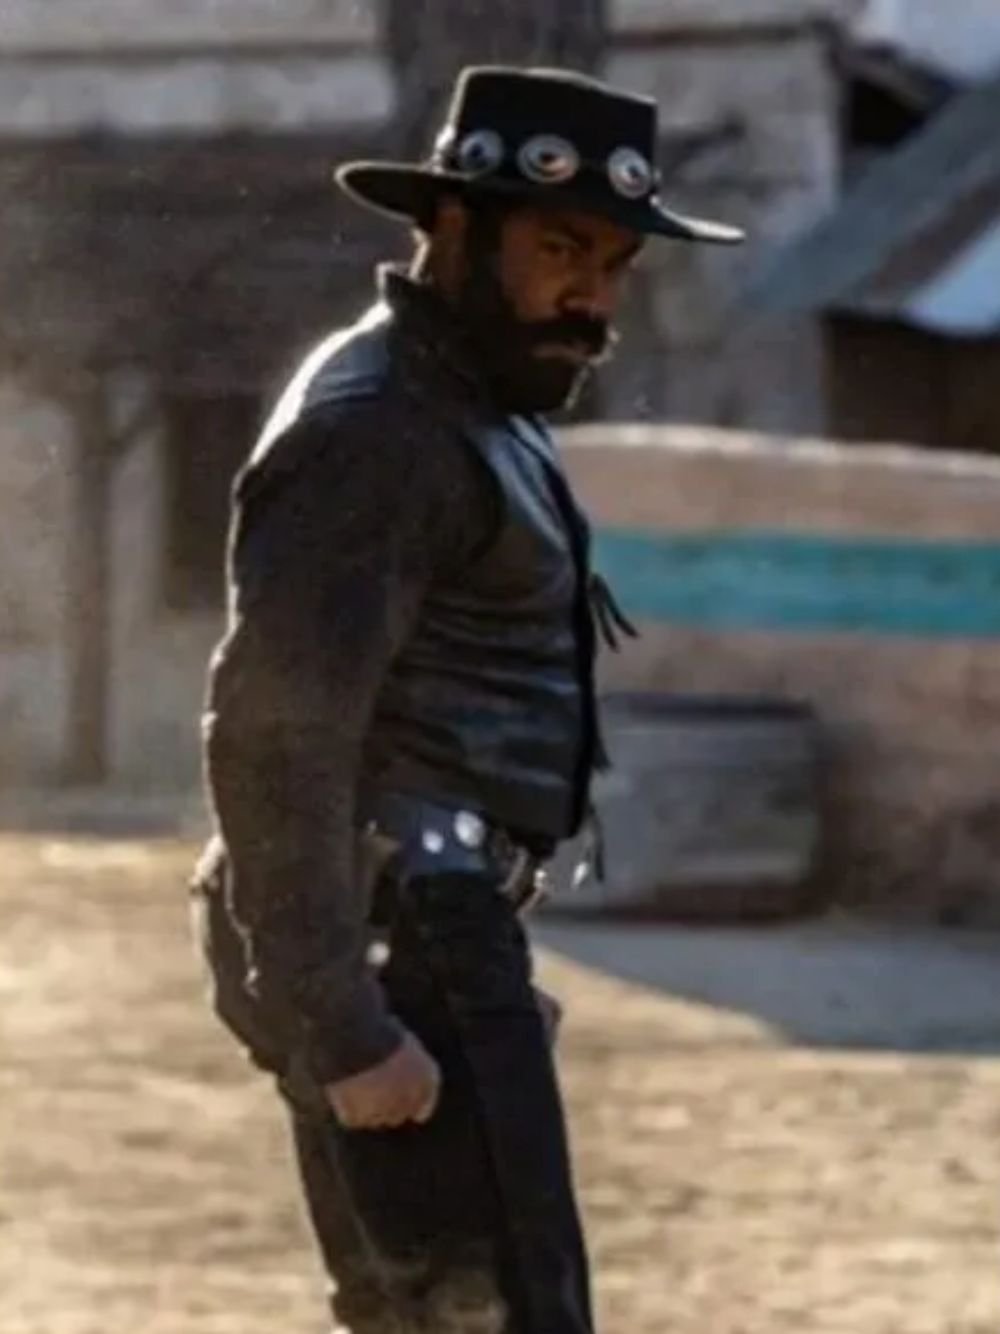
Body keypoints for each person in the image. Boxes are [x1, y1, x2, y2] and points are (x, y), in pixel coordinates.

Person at [190, 65, 742, 1334]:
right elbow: (276, 734)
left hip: (430, 922)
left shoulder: (468, 397)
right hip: (395, 923)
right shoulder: (379, 424)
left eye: (612, 264)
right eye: (559, 249)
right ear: (450, 226)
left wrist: (472, 952)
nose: (591, 296)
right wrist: (344, 1015)